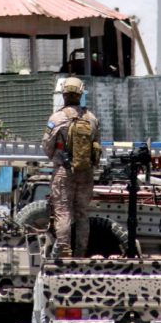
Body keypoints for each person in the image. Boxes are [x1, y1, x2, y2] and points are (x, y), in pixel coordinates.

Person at [42, 77, 100, 258]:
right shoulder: (91, 118)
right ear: (81, 94)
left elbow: (47, 147)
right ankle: (81, 252)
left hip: (63, 172)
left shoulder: (57, 118)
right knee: (82, 213)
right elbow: (97, 145)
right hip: (86, 172)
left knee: (63, 212)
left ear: (64, 94)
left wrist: (57, 158)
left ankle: (64, 251)